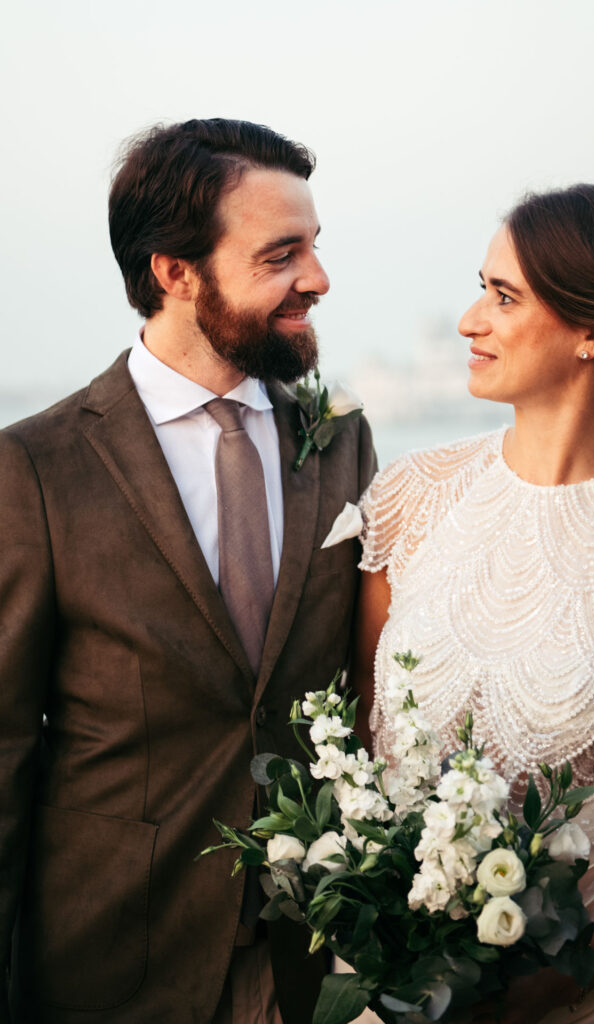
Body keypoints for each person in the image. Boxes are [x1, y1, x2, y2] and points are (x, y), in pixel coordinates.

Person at [0, 118, 376, 1023]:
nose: (317, 279)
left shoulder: (340, 439)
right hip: (111, 956)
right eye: (281, 254)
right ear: (174, 271)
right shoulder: (37, 466)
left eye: (315, 248)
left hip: (313, 956)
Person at [353, 184, 594, 1022]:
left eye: (503, 297)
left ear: (593, 331)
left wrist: (552, 982)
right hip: (399, 977)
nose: (469, 320)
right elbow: (361, 744)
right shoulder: (408, 499)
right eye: (481, 288)